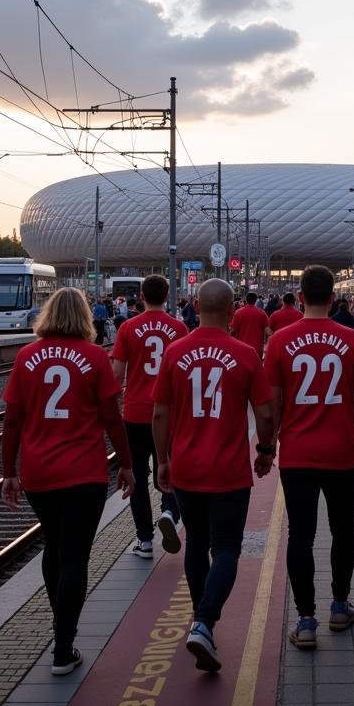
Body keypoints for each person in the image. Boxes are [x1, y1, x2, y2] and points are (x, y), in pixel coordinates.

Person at [0, 287, 134, 676]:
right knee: (75, 556)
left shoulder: (27, 357)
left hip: (39, 473)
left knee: (53, 547)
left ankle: (60, 625)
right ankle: (63, 645)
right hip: (84, 472)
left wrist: (9, 472)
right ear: (85, 317)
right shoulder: (94, 356)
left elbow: (12, 419)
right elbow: (112, 417)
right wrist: (127, 464)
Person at [151, 278, 275, 673]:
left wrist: (162, 460)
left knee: (196, 543)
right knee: (226, 548)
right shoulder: (245, 354)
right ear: (232, 311)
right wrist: (266, 450)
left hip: (186, 467)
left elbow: (159, 413)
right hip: (229, 471)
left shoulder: (174, 352)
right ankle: (204, 622)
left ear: (196, 306)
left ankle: (200, 620)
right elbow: (266, 413)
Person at [264, 265, 354, 649]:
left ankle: (306, 618)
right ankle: (340, 605)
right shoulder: (351, 339)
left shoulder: (280, 341)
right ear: (333, 298)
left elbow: (272, 403)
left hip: (297, 454)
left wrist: (266, 446)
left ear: (299, 296)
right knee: (343, 529)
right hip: (341, 451)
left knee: (301, 535)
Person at [110, 274, 188, 559]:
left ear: (141, 296)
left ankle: (144, 540)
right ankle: (169, 510)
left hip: (136, 412)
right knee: (172, 467)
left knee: (138, 477)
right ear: (167, 296)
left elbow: (117, 375)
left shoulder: (129, 328)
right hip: (170, 414)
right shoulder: (179, 329)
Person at [230, 290, 269, 357]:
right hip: (257, 348)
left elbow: (233, 331)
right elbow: (268, 331)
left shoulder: (239, 313)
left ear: (246, 300)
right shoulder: (262, 313)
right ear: (255, 300)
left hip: (241, 348)